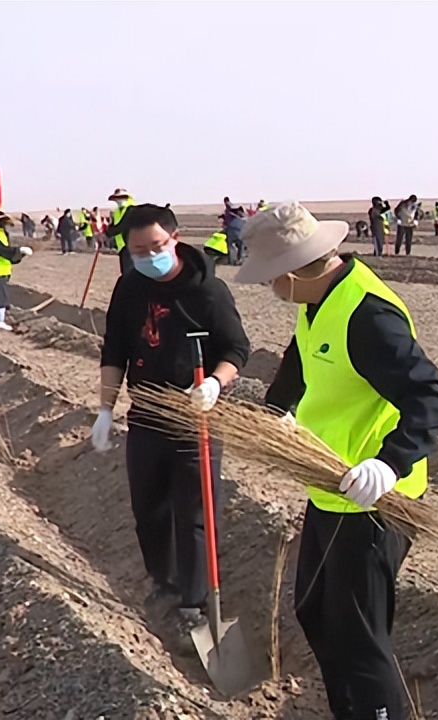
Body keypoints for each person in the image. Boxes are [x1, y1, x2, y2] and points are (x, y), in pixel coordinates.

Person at [234, 202, 438, 720]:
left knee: (358, 638)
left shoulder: (367, 315)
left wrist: (389, 465)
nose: (271, 290)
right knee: (314, 611)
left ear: (289, 274)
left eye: (270, 280)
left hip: (375, 500)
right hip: (330, 485)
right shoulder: (318, 303)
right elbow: (301, 358)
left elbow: (432, 397)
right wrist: (275, 411)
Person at [90, 203, 250, 641]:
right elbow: (114, 350)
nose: (148, 256)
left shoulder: (208, 291)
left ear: (174, 239)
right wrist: (105, 408)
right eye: (138, 250)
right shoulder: (129, 288)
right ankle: (165, 584)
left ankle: (195, 604)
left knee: (196, 514)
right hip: (146, 416)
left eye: (156, 246)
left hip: (194, 419)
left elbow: (236, 350)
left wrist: (215, 385)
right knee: (149, 510)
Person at [0, 211, 32, 330]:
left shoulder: (2, 234)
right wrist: (19, 251)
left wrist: (20, 255)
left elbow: (7, 253)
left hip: (2, 270)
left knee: (2, 295)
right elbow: (2, 250)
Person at [104, 188, 136, 274]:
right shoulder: (117, 211)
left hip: (133, 246)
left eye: (122, 197)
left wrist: (107, 234)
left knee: (131, 274)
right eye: (117, 198)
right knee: (126, 273)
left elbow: (122, 226)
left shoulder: (132, 209)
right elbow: (113, 226)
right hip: (122, 247)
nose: (119, 200)